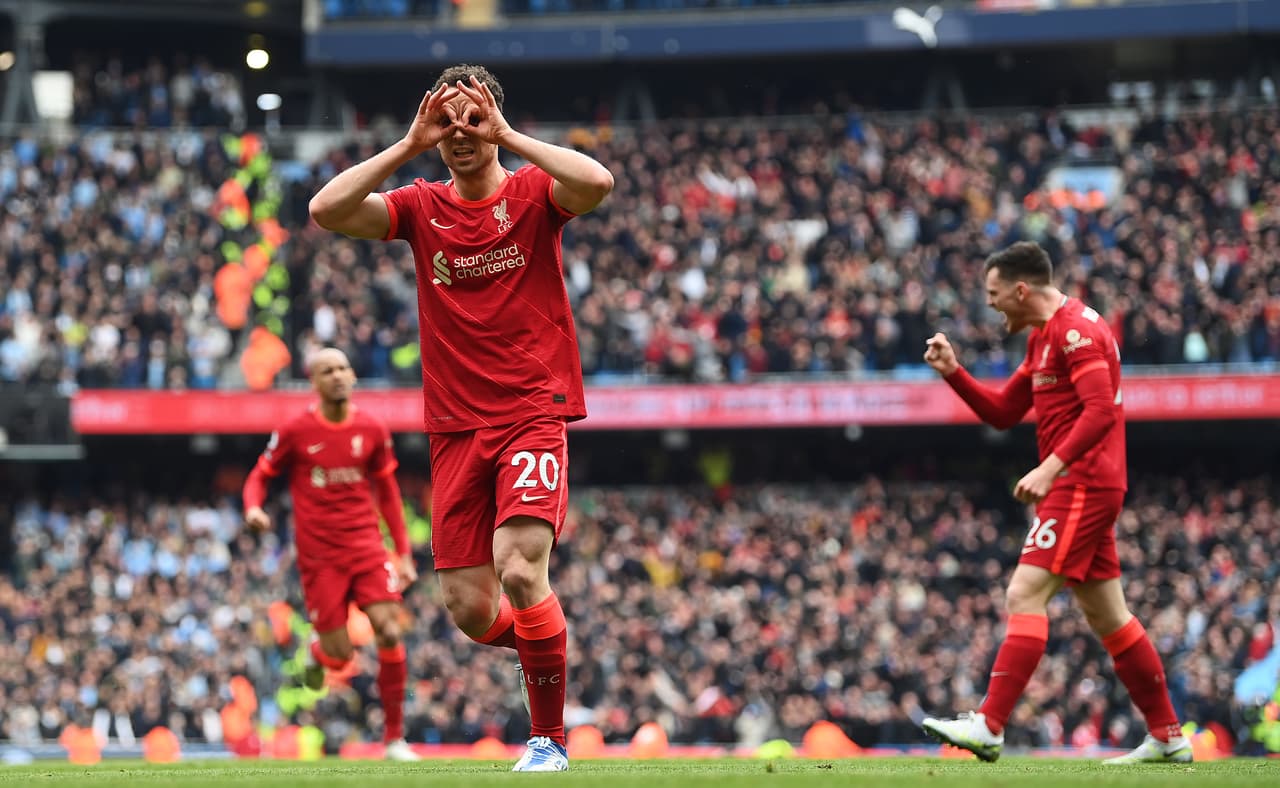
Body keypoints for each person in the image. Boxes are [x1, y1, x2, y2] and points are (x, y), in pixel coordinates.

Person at [307, 63, 614, 772]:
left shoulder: (536, 193)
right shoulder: (419, 206)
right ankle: (548, 643)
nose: (460, 136)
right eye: (448, 124)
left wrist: (507, 134)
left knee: (519, 567)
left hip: (532, 412)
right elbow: (327, 211)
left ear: (495, 121)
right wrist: (409, 144)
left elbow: (596, 184)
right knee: (470, 608)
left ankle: (548, 740)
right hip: (453, 429)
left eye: (471, 120)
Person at [919, 242, 1191, 764]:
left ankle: (990, 724)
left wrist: (1050, 467)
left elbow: (1098, 413)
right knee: (1110, 616)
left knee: (1024, 594)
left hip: (1083, 484)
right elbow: (1002, 412)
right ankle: (1168, 735)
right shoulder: (1043, 337)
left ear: (1022, 289)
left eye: (995, 294)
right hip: (1081, 482)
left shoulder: (1077, 331)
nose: (992, 304)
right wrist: (954, 371)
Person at [242, 347, 420, 762]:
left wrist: (403, 553)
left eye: (342, 368)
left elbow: (389, 493)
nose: (338, 376)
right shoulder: (295, 431)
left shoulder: (372, 429)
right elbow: (259, 475)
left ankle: (394, 739)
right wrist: (253, 507)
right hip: (320, 558)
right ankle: (317, 654)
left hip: (365, 546)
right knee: (339, 654)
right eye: (328, 370)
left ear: (353, 375)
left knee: (390, 630)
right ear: (314, 382)